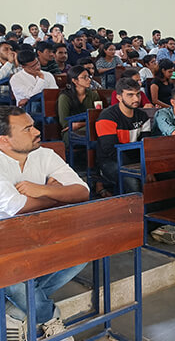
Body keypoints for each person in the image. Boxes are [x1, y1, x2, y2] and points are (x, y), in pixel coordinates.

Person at [0, 106, 89, 339]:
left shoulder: (45, 155)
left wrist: (41, 190)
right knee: (15, 280)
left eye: (33, 125)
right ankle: (49, 317)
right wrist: (56, 195)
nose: (37, 131)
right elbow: (16, 206)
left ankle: (15, 311)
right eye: (28, 128)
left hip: (43, 235)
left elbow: (82, 191)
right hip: (5, 244)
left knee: (81, 254)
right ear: (4, 140)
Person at [96, 78, 151, 193]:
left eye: (138, 94)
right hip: (110, 161)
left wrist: (145, 166)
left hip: (136, 160)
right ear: (119, 97)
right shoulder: (107, 117)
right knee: (134, 182)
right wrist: (137, 168)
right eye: (130, 95)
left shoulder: (143, 116)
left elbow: (146, 143)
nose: (136, 99)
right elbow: (109, 149)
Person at [57, 66, 102, 144]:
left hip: (90, 126)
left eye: (89, 76)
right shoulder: (65, 97)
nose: (89, 80)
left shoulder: (93, 95)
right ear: (75, 81)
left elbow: (98, 115)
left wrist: (79, 124)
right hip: (71, 131)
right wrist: (87, 123)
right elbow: (65, 123)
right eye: (84, 77)